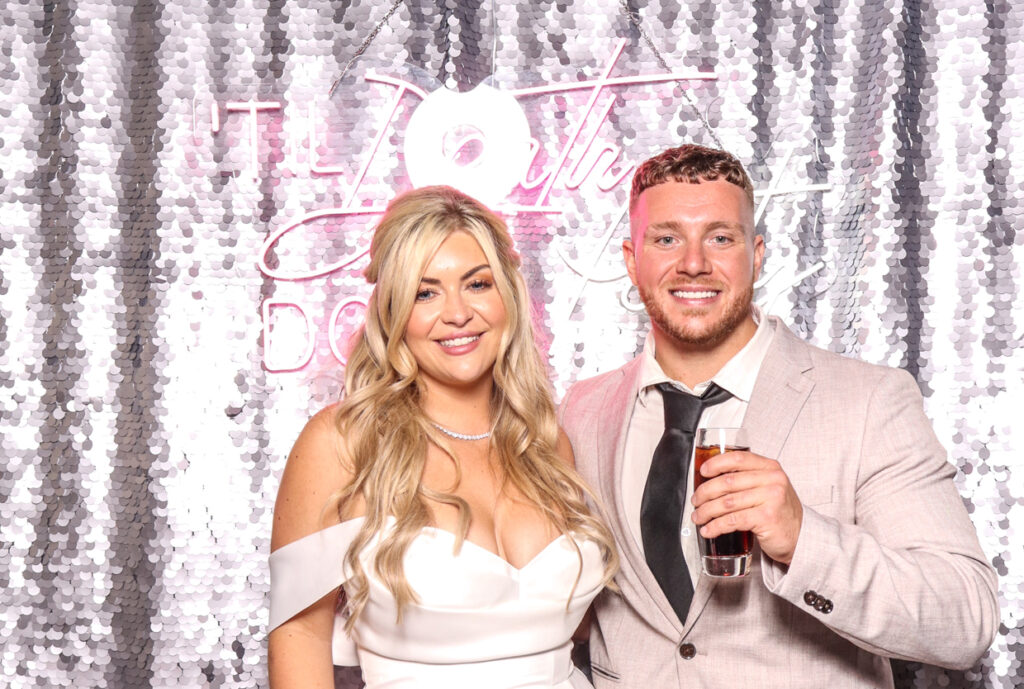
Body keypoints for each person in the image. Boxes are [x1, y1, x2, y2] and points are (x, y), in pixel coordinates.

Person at [558, 144, 998, 688]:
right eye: (667, 238)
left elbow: (965, 620)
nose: (693, 262)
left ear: (757, 254)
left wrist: (803, 539)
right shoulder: (581, 411)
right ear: (631, 258)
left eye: (720, 237)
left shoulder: (869, 400)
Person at [267, 185, 618, 689]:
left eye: (477, 285)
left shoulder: (545, 443)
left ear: (507, 296)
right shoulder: (343, 444)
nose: (457, 314)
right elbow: (299, 634)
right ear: (393, 312)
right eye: (425, 292)